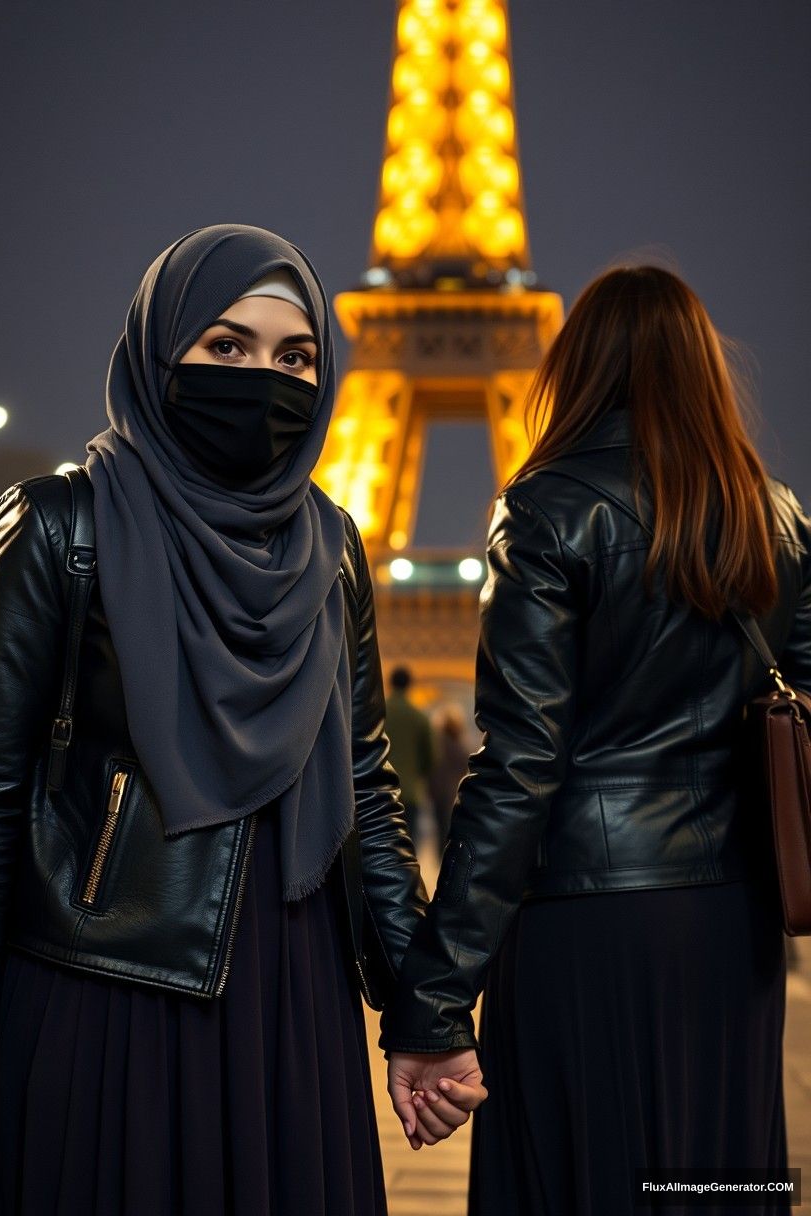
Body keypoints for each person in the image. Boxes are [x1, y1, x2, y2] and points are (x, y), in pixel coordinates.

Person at [0, 224, 431, 1215]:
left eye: (294, 356)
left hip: (291, 993)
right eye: (226, 347)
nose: (263, 377)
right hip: (106, 985)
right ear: (157, 350)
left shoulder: (333, 546)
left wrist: (424, 1009)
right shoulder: (61, 525)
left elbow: (365, 791)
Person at [380, 265, 808, 1215]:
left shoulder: (547, 508)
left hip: (584, 918)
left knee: (583, 1172)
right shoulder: (776, 520)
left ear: (573, 365)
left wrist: (436, 996)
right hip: (730, 922)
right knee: (711, 1172)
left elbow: (519, 767)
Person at [384, 665, 435, 847]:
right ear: (409, 685)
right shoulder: (419, 717)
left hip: (381, 789)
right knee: (409, 844)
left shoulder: (379, 714)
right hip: (410, 790)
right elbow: (430, 758)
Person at [427, 703, 470, 857]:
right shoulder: (460, 745)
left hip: (438, 790)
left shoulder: (436, 743)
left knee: (440, 826)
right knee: (450, 826)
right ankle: (448, 856)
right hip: (454, 791)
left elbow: (431, 766)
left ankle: (441, 856)